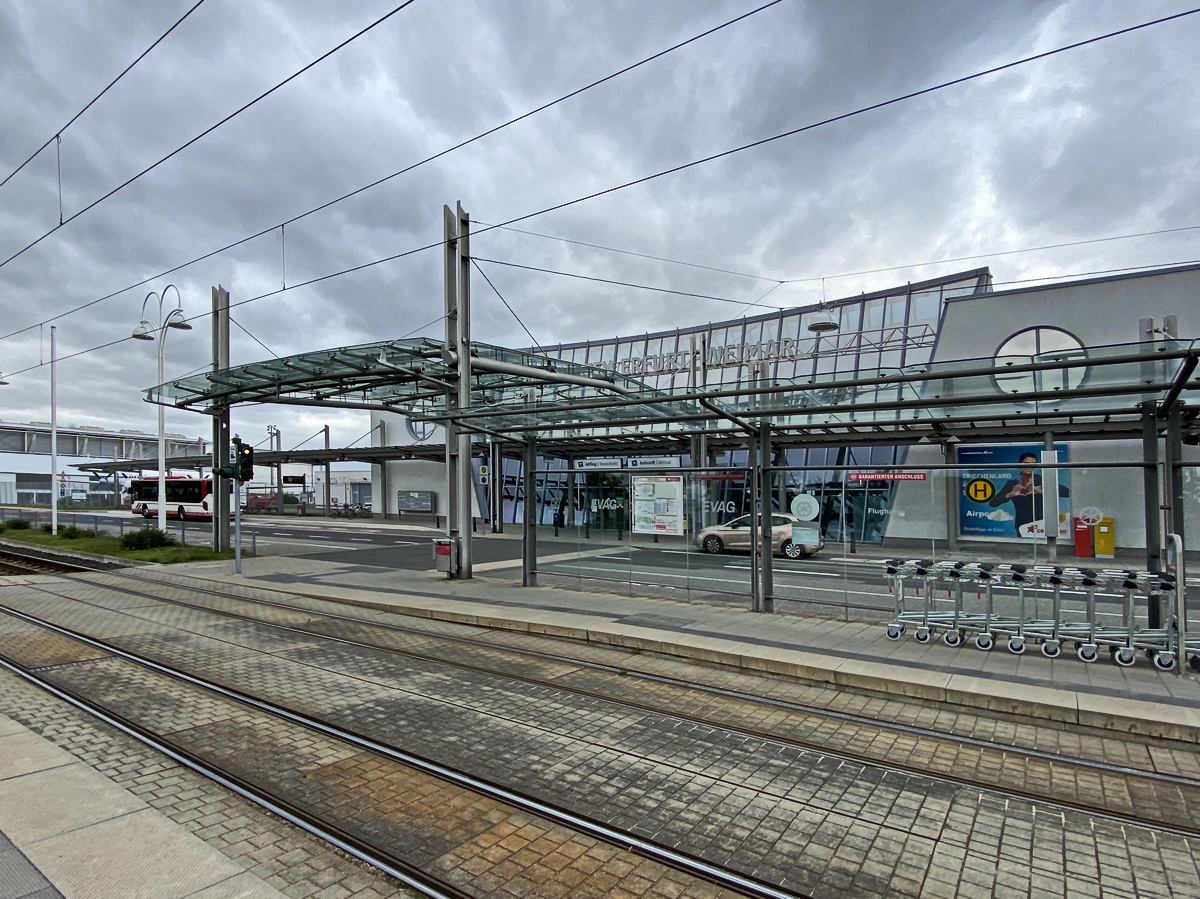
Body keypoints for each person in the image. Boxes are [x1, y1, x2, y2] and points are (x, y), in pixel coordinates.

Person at [988, 452, 1069, 537]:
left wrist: (1044, 491)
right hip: (1023, 527)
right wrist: (1010, 495)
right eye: (1026, 463)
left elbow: (1067, 492)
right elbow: (992, 503)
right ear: (1019, 465)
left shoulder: (1042, 480)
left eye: (1034, 464)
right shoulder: (1012, 484)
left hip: (1043, 524)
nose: (1030, 467)